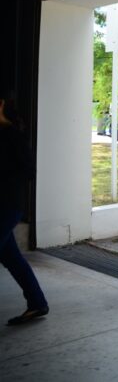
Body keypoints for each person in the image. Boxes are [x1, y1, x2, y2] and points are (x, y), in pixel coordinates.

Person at [0, 89, 49, 325]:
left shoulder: (14, 135)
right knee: (12, 259)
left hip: (7, 206)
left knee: (12, 259)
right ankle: (37, 303)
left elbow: (28, 171)